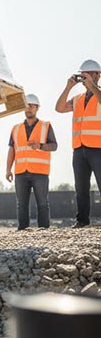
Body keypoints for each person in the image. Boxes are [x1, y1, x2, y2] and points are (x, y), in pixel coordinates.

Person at [55, 59, 101, 228]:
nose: (84, 77)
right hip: (79, 148)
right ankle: (82, 220)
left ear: (98, 75)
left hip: (98, 148)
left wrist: (93, 87)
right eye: (82, 74)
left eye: (88, 74)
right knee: (81, 187)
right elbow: (59, 108)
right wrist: (68, 87)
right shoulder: (78, 99)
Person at [6, 94, 58, 230]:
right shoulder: (15, 128)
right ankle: (23, 230)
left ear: (37, 108)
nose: (28, 108)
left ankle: (43, 229)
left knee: (42, 203)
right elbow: (12, 150)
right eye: (26, 106)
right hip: (21, 171)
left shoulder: (46, 126)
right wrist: (8, 170)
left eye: (31, 106)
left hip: (40, 172)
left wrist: (40, 146)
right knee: (21, 204)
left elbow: (54, 146)